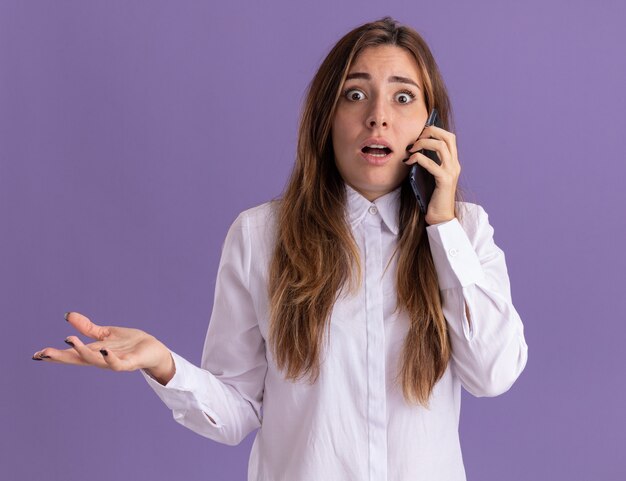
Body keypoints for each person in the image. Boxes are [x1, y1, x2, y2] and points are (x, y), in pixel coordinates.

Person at [33, 16, 528, 481]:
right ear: (326, 117)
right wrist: (162, 363)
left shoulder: (465, 231)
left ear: (432, 123)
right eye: (355, 94)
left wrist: (441, 224)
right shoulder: (260, 236)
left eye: (403, 98)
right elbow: (235, 411)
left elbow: (493, 373)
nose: (379, 117)